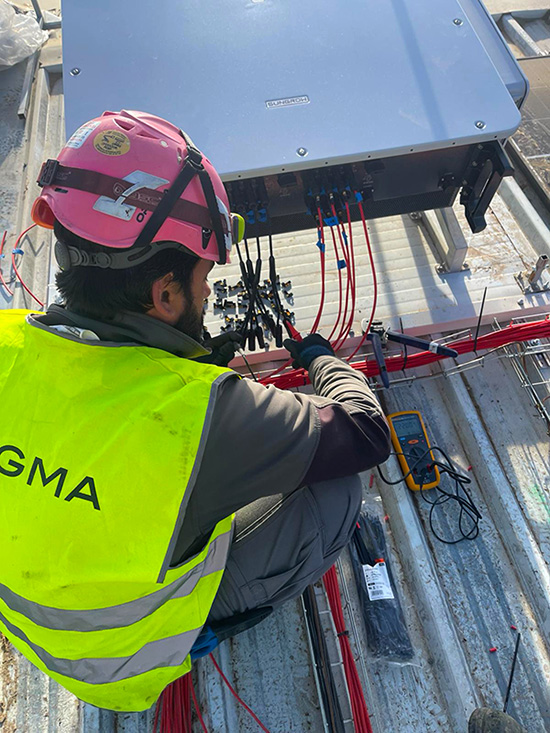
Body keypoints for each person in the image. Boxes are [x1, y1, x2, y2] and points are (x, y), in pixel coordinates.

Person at [0, 110, 391, 712]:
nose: (209, 294)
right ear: (165, 293)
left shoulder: (5, 341)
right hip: (123, 668)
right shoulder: (202, 414)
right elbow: (364, 434)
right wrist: (320, 361)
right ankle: (195, 635)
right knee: (337, 493)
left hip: (28, 631)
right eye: (204, 278)